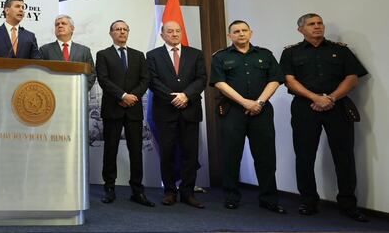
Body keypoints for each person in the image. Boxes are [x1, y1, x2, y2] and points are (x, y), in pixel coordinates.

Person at [279, 13, 369, 222]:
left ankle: (348, 205)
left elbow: (352, 78)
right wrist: (315, 98)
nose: (317, 27)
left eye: (320, 23)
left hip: (337, 107)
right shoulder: (291, 53)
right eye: (311, 24)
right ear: (301, 29)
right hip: (304, 107)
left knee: (344, 156)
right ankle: (308, 202)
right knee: (304, 156)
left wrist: (331, 98)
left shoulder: (341, 50)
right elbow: (289, 81)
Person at [210, 20, 285, 214]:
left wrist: (258, 102)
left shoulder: (265, 54)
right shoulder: (220, 57)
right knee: (231, 155)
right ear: (230, 36)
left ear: (251, 33)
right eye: (236, 31)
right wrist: (245, 102)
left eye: (244, 30)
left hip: (261, 111)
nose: (241, 34)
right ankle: (231, 197)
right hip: (233, 110)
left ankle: (268, 198)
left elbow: (275, 79)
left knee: (266, 156)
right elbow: (219, 83)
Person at [146, 21, 207, 208]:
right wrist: (173, 97)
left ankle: (187, 192)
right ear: (162, 34)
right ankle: (170, 191)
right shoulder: (153, 55)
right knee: (167, 153)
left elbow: (202, 78)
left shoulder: (195, 53)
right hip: (166, 111)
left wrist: (186, 95)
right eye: (169, 31)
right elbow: (152, 81)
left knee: (190, 153)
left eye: (177, 31)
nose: (174, 34)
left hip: (190, 110)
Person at [95, 20, 153, 207]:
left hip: (133, 109)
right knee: (110, 150)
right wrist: (122, 95)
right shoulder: (103, 54)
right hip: (113, 108)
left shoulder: (138, 55)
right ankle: (109, 188)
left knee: (136, 151)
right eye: (117, 29)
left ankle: (137, 190)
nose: (121, 32)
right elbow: (103, 79)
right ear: (110, 33)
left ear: (128, 32)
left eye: (124, 29)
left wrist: (133, 96)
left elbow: (145, 79)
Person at [38, 14, 95, 90]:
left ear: (72, 28)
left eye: (63, 23)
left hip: (77, 96)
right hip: (53, 94)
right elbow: (40, 74)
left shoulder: (84, 51)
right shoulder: (44, 50)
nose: (60, 26)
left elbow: (91, 74)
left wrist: (81, 90)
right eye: (57, 24)